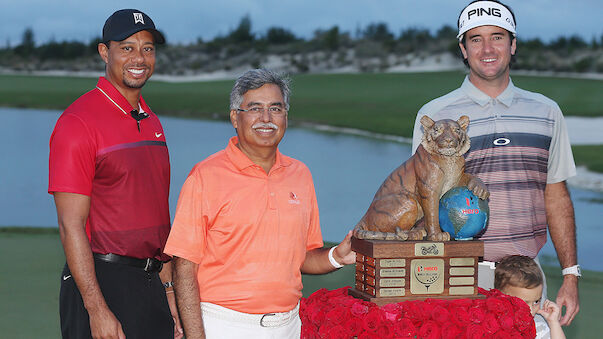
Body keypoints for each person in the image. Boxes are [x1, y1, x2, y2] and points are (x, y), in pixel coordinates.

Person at [411, 0, 579, 326]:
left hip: (526, 278)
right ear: (463, 48)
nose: (487, 48)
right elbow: (421, 198)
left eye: (498, 37)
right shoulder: (434, 116)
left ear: (513, 44)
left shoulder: (546, 111)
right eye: (476, 39)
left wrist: (570, 276)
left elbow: (556, 195)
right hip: (459, 275)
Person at [164, 68, 356, 339]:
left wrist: (338, 256)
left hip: (288, 326)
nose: (266, 119)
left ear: (285, 117)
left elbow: (302, 258)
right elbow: (184, 265)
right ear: (235, 117)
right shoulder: (205, 176)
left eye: (275, 109)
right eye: (254, 108)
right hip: (224, 325)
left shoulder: (300, 174)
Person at [49, 9, 182, 339]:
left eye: (148, 48)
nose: (139, 58)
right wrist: (96, 309)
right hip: (103, 281)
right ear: (104, 52)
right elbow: (70, 225)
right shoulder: (77, 123)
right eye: (127, 47)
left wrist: (169, 291)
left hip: (151, 284)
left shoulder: (151, 120)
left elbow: (157, 217)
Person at [495, 255, 566, 339]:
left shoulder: (539, 329)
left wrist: (553, 323)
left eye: (536, 302)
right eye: (524, 303)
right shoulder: (488, 326)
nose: (531, 310)